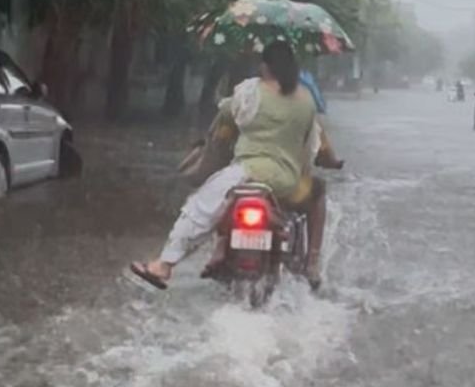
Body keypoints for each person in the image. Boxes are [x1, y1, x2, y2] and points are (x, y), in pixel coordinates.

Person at [131, 40, 328, 290]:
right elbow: (309, 148)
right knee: (314, 191)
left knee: (201, 207)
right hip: (287, 183)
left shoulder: (249, 92)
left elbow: (222, 122)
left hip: (249, 174)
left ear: (265, 66)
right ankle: (311, 263)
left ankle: (164, 265)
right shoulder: (306, 100)